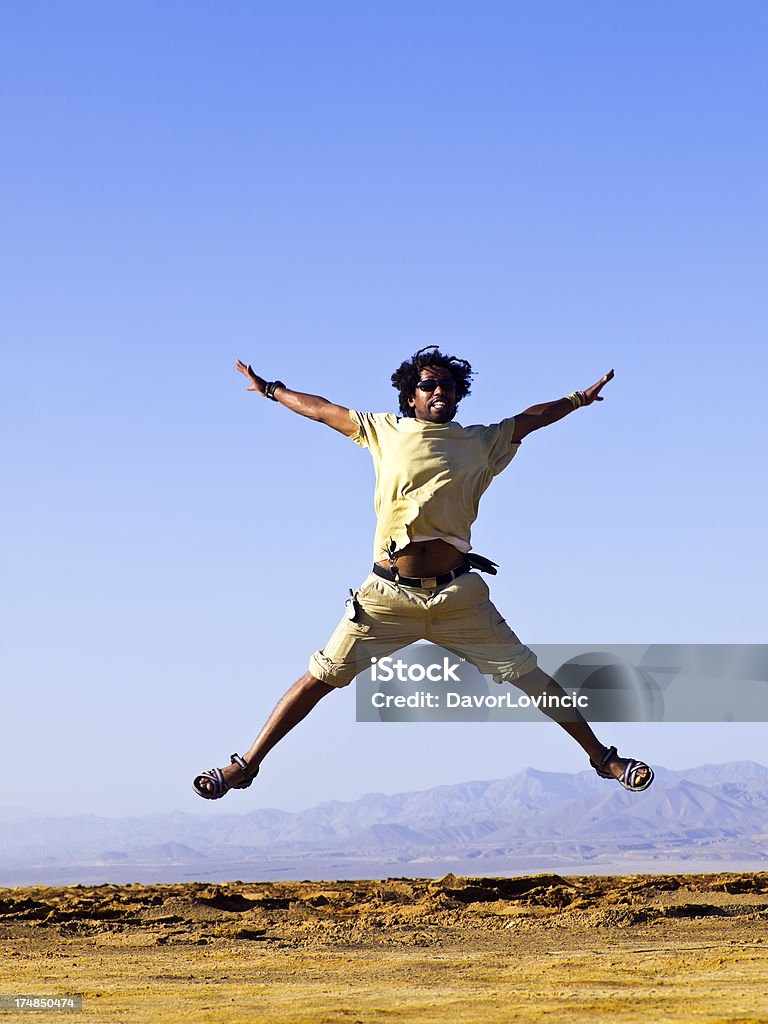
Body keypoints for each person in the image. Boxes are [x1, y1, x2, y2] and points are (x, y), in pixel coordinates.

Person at [194, 346, 653, 800]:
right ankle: (244, 766)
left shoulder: (481, 441)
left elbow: (531, 419)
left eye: (448, 387)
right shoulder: (383, 431)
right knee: (319, 678)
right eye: (428, 384)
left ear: (457, 396)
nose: (439, 391)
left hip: (458, 600)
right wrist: (272, 389)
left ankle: (603, 759)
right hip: (387, 598)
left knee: (533, 679)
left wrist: (577, 399)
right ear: (410, 395)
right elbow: (320, 410)